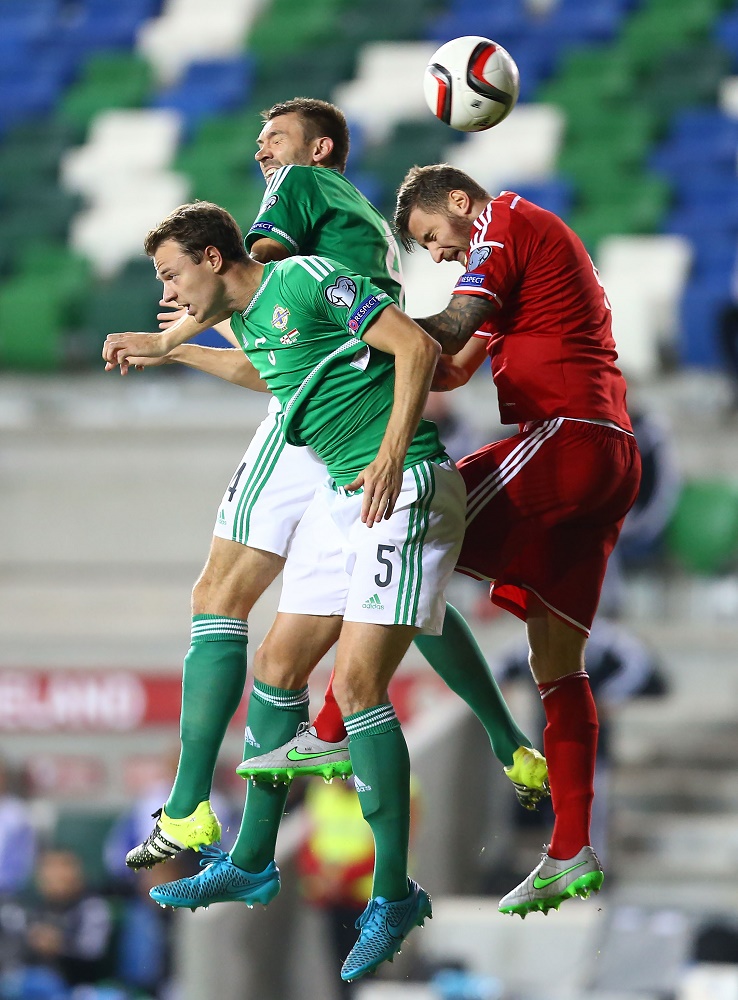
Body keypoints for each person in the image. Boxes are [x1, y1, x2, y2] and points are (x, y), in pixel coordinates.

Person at [103, 99, 547, 872]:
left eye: (273, 137)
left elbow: (243, 273)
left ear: (320, 148)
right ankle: (508, 741)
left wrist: (170, 333)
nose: (260, 147)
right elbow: (273, 349)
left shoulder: (299, 192)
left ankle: (191, 810)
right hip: (353, 403)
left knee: (218, 598)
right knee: (407, 600)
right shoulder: (359, 225)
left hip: (324, 421)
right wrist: (179, 348)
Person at [104, 200, 466, 982]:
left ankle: (394, 893)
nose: (167, 290)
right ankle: (253, 859)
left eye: (170, 273)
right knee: (275, 664)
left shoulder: (304, 279)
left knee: (360, 684)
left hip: (398, 484)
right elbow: (263, 373)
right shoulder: (259, 321)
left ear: (209, 257)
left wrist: (391, 450)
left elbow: (412, 346)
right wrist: (174, 350)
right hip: (351, 495)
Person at [389, 164, 642, 918]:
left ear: (460, 205)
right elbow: (455, 367)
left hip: (567, 436)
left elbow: (446, 333)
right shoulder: (511, 261)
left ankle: (334, 725)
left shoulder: (506, 223)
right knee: (557, 664)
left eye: (432, 237)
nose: (437, 256)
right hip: (607, 455)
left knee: (411, 520)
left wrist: (362, 319)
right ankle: (570, 849)